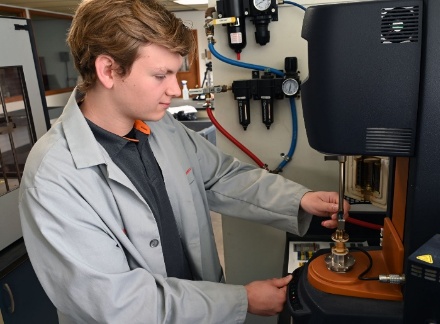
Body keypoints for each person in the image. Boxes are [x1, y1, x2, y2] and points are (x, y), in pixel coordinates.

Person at [18, 0, 350, 323]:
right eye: (160, 75)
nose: (175, 90)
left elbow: (221, 177)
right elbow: (116, 303)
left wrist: (300, 201)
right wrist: (240, 299)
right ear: (108, 70)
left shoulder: (162, 127)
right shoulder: (54, 176)